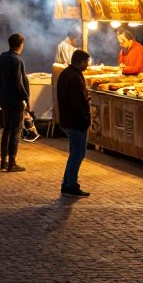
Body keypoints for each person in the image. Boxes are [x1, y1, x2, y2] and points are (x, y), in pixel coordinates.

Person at [0, 33, 30, 172]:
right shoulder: (17, 60)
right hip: (15, 101)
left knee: (7, 129)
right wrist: (26, 98)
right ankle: (12, 162)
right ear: (21, 45)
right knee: (15, 131)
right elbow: (19, 84)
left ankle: (3, 161)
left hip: (4, 100)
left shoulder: (2, 57)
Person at [57, 48, 92, 197]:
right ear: (81, 61)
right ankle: (71, 185)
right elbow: (76, 103)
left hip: (68, 120)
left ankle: (67, 183)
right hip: (75, 122)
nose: (88, 65)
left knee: (74, 153)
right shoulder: (74, 77)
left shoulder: (66, 74)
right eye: (87, 62)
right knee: (78, 154)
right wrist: (85, 119)